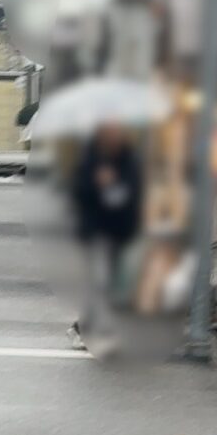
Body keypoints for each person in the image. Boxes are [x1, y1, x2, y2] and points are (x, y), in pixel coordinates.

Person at [70, 122, 142, 348]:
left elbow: (137, 191)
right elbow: (77, 191)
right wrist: (96, 184)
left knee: (115, 283)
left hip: (120, 230)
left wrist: (118, 184)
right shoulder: (90, 158)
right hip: (93, 229)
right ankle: (85, 329)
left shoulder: (130, 159)